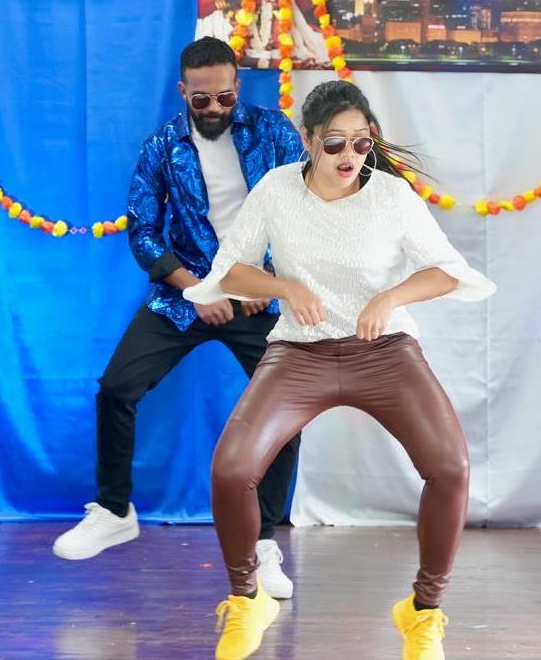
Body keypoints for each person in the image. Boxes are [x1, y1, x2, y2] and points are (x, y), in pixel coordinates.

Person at [192, 80, 493, 660]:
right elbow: (230, 272)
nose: (348, 155)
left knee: (450, 467)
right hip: (299, 353)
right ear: (307, 140)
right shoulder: (277, 189)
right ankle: (248, 601)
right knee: (231, 470)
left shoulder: (391, 196)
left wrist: (390, 297)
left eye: (360, 142)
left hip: (383, 352)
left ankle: (423, 613)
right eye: (334, 143)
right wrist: (285, 286)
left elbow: (446, 272)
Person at [52, 38, 305, 599]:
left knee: (284, 409)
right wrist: (196, 289)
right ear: (183, 92)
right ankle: (114, 510)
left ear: (238, 88)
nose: (214, 109)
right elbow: (142, 231)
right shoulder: (163, 146)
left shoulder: (274, 132)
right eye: (201, 100)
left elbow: (302, 212)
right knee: (117, 388)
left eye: (223, 98)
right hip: (187, 291)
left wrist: (267, 277)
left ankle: (264, 543)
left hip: (260, 295)